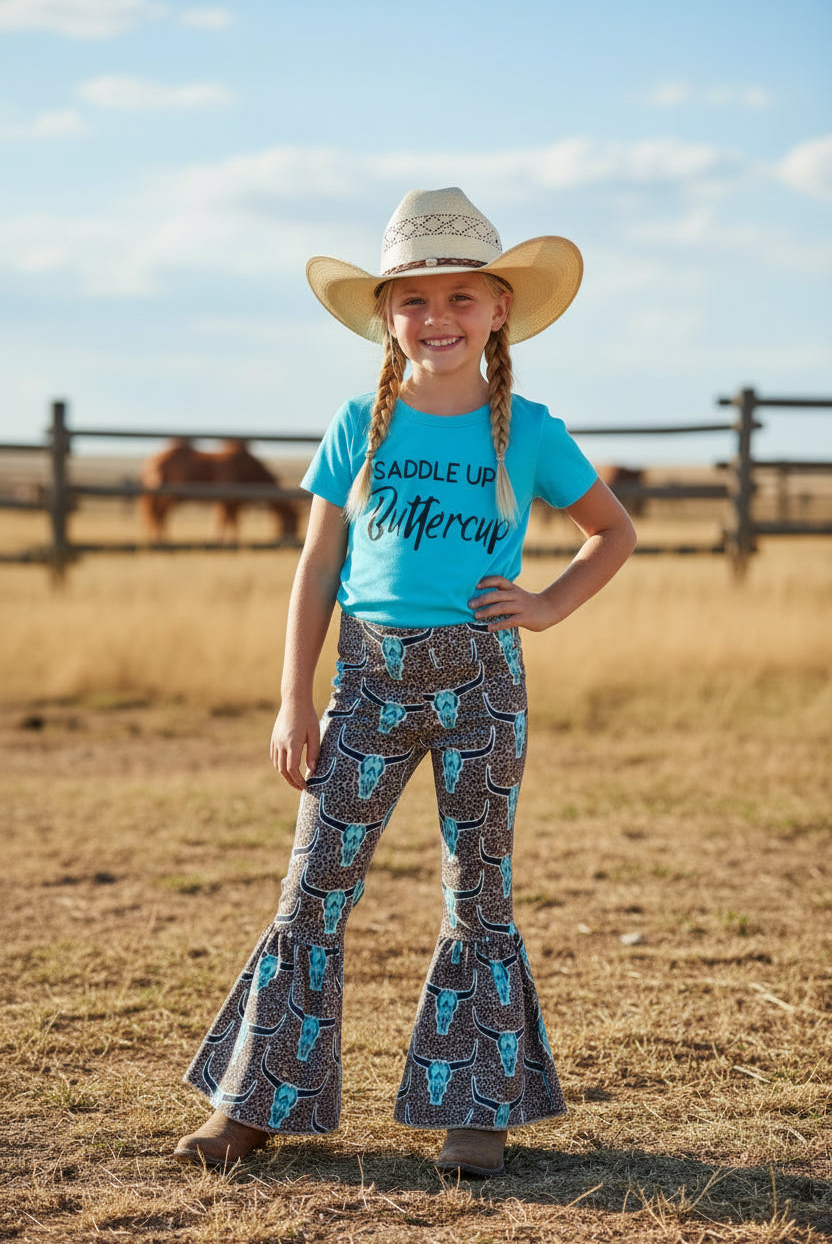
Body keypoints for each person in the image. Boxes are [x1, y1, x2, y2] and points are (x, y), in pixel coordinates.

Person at [174, 187, 636, 1177]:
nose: (437, 320)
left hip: (481, 680)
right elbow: (314, 568)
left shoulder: (532, 431)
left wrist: (549, 606)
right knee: (313, 892)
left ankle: (475, 1109)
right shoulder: (360, 425)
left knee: (480, 892)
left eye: (460, 299)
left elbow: (613, 532)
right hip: (367, 679)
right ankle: (254, 1104)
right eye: (415, 302)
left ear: (499, 310)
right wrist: (293, 697)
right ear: (386, 314)